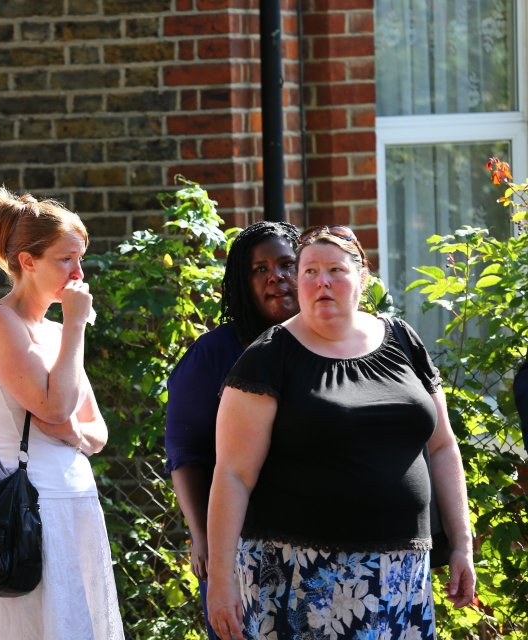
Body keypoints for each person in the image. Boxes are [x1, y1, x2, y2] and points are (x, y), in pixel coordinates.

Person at [206, 225, 476, 640]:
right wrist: (221, 581)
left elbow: (441, 447)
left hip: (402, 574)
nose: (321, 281)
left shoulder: (403, 339)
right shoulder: (268, 357)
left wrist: (461, 544)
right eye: (310, 271)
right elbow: (232, 474)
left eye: (335, 269)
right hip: (304, 576)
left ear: (362, 277)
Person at [0, 187, 124, 639]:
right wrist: (77, 324)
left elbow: (96, 430)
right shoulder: (0, 323)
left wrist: (69, 429)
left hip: (75, 496)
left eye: (80, 259)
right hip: (23, 503)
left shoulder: (56, 332)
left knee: (80, 622)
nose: (78, 273)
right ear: (27, 261)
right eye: (65, 259)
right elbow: (54, 404)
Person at [165, 221, 299, 634]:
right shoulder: (214, 354)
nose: (276, 276)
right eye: (260, 269)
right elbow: (185, 455)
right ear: (243, 283)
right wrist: (202, 536)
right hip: (241, 546)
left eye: (286, 264)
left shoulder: (326, 346)